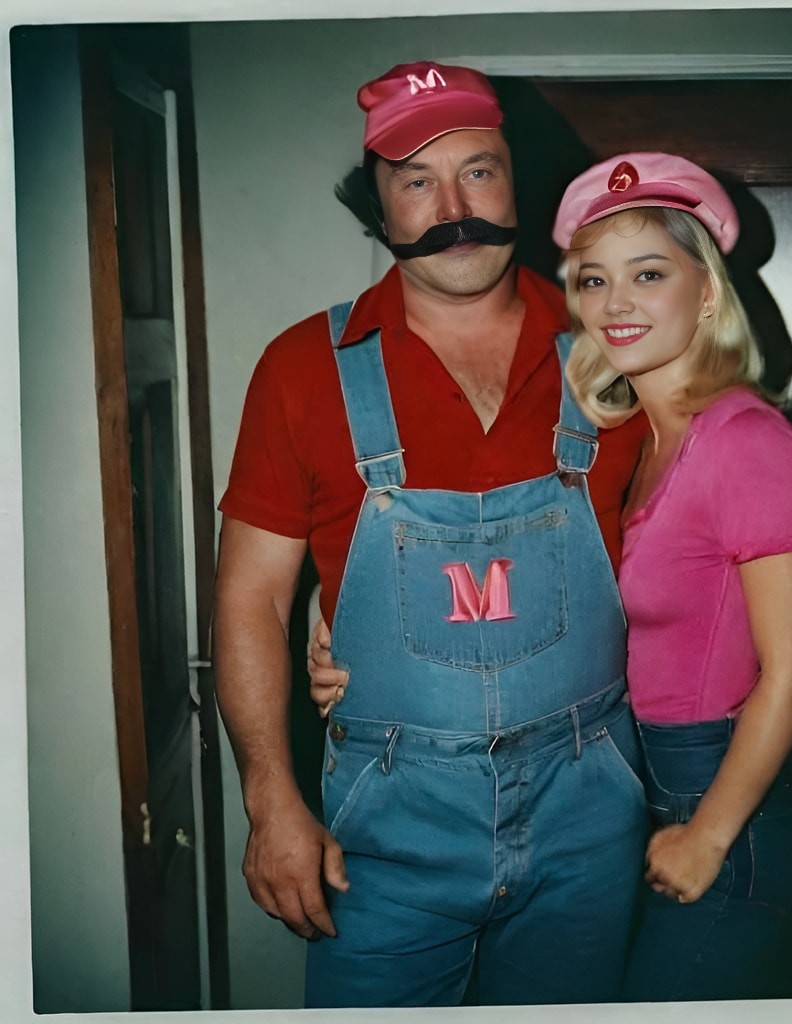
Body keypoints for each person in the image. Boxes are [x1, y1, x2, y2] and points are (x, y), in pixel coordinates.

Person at [212, 61, 650, 1009]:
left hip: (590, 815)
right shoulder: (301, 369)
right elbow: (250, 597)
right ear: (377, 208)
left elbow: (713, 540)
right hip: (387, 826)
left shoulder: (619, 348)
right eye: (416, 180)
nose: (453, 207)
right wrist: (269, 799)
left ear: (517, 180)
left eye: (479, 171)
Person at [556, 151, 792, 1001]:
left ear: (706, 291)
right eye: (592, 281)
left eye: (647, 273)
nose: (616, 304)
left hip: (720, 808)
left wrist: (707, 835)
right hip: (640, 789)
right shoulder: (634, 442)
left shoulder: (747, 439)